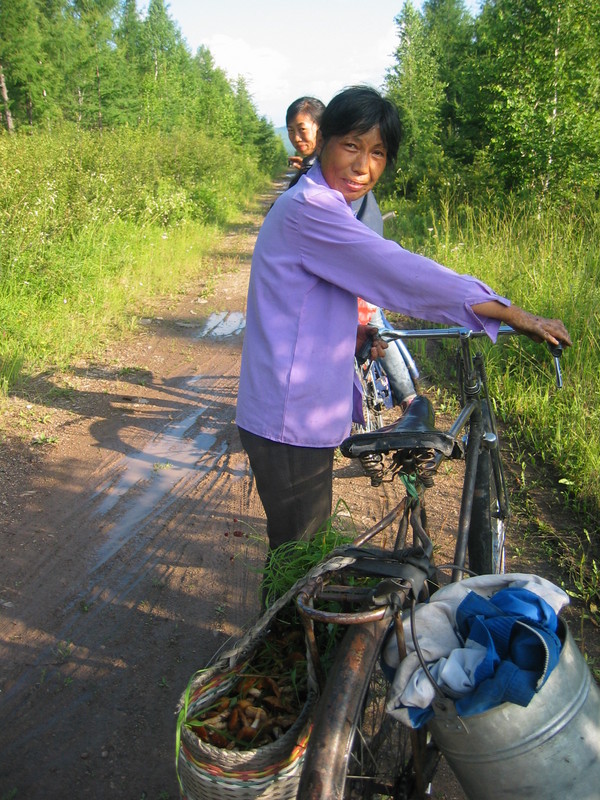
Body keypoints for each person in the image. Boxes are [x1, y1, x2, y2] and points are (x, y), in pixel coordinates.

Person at [236, 86, 571, 553]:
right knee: (299, 556)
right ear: (324, 141)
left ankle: (294, 625)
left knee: (299, 549)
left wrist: (352, 332)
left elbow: (301, 302)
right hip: (287, 416)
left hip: (290, 406)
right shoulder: (311, 210)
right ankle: (284, 629)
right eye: (351, 146)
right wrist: (511, 312)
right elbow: (403, 273)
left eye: (377, 153)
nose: (362, 166)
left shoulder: (324, 203)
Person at [286, 95, 417, 406]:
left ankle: (409, 398)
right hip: (340, 266)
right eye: (291, 130)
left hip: (358, 265)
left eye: (303, 130)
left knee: (375, 324)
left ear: (322, 131)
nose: (296, 137)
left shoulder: (338, 180)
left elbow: (387, 261)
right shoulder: (312, 179)